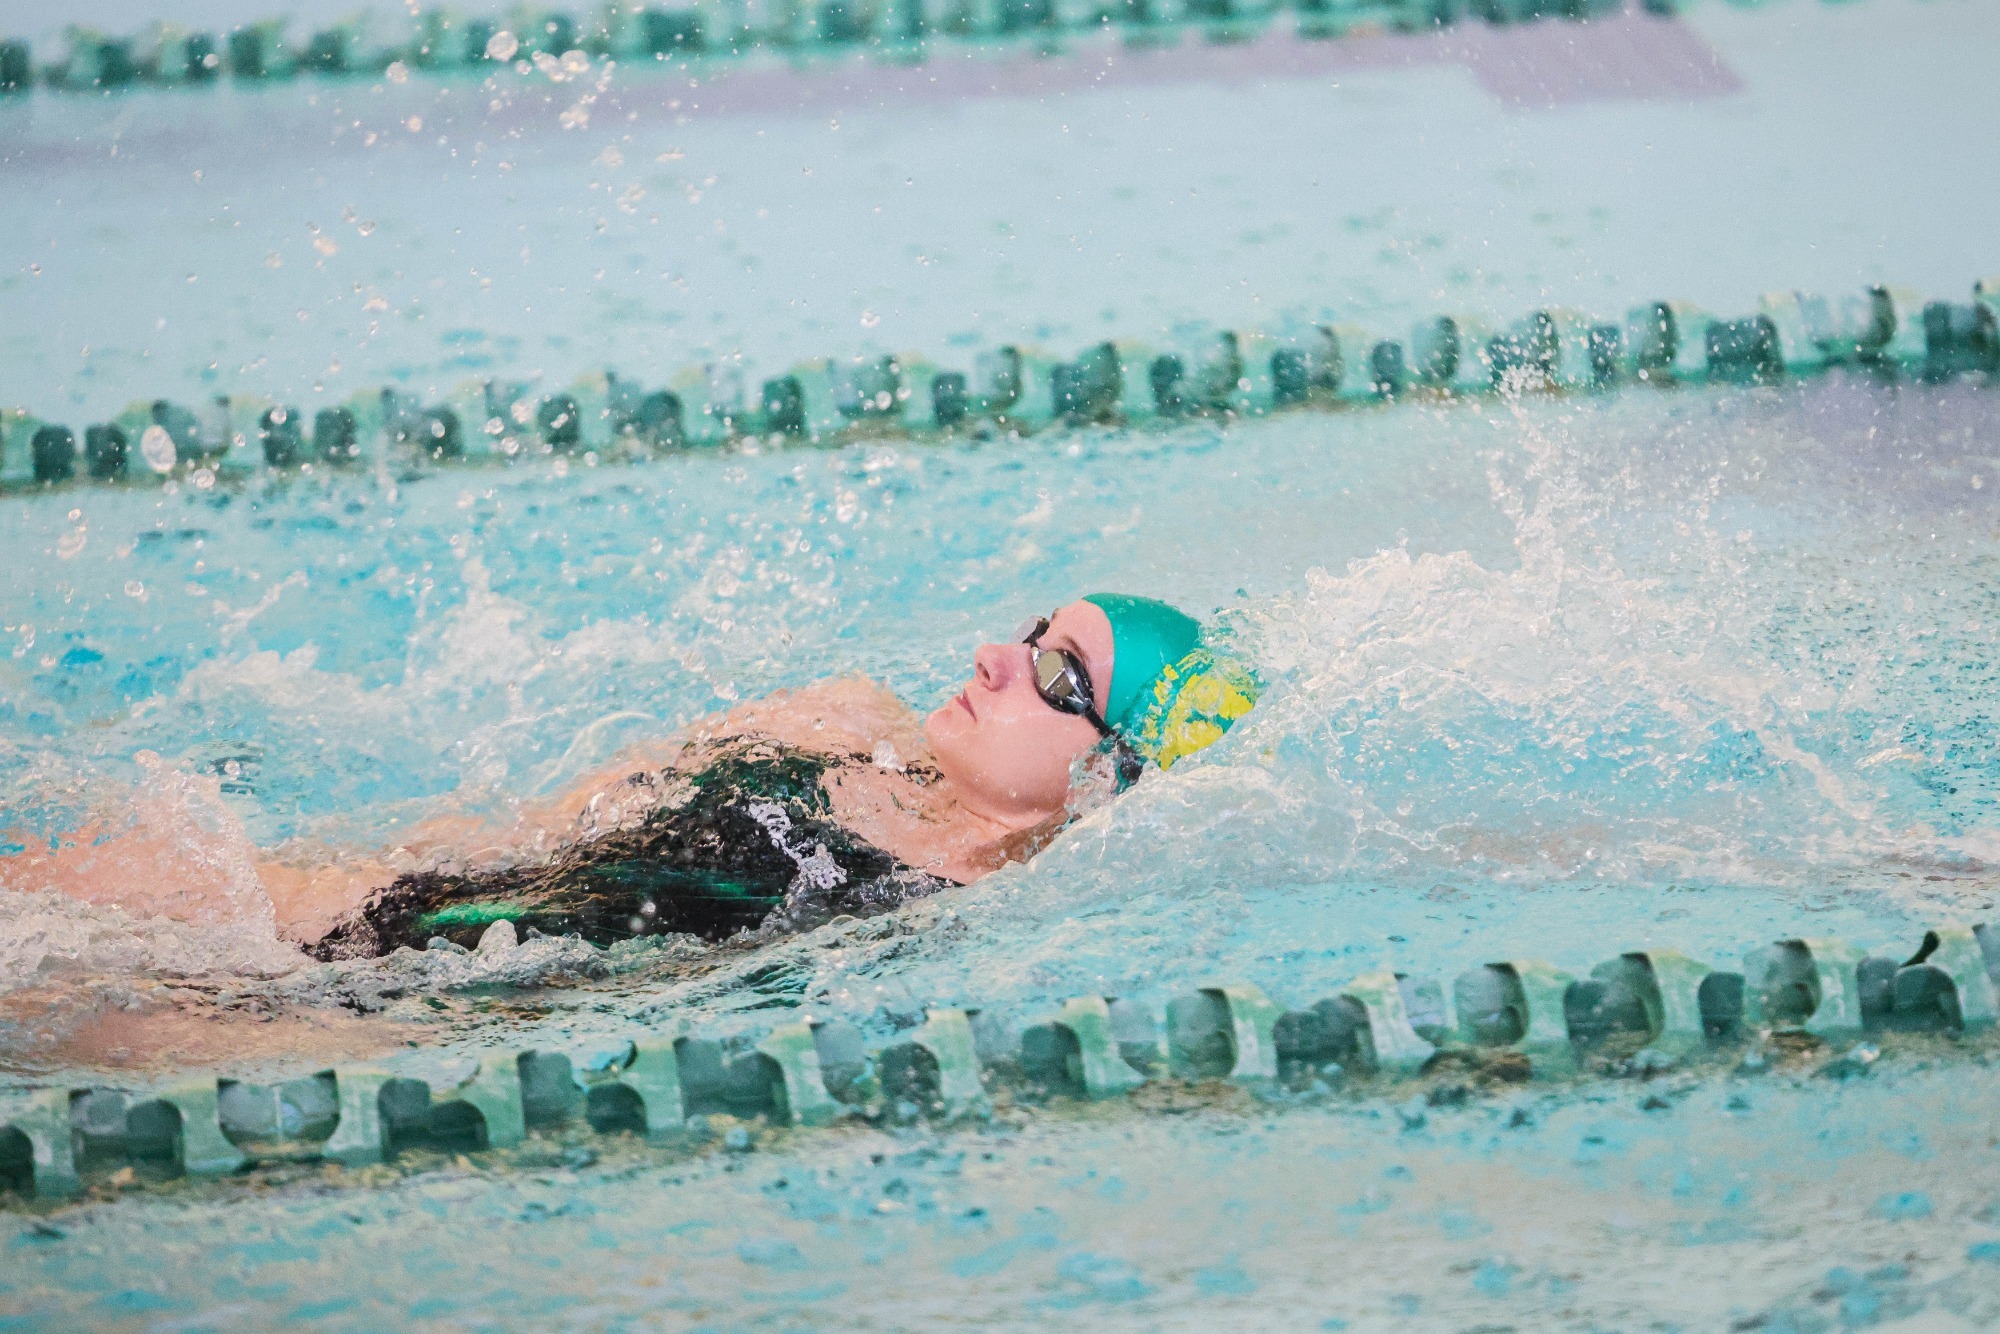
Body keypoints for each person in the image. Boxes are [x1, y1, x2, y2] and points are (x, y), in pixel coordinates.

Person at [308, 593, 1260, 957]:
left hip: (381, 1002)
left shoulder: (940, 920)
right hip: (349, 904)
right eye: (1031, 635)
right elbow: (535, 829)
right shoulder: (837, 718)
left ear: (1106, 773)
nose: (991, 657)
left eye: (1058, 674)